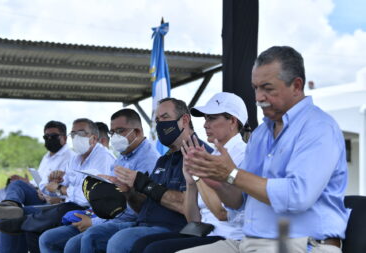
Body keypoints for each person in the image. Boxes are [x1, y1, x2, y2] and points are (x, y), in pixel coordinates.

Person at [178, 46, 349, 253]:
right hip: (250, 242)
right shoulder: (260, 136)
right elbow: (238, 202)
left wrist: (231, 174)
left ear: (296, 86)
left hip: (301, 244)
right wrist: (217, 181)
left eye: (267, 88)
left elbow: (297, 196)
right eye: (256, 88)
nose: (259, 97)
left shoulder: (318, 127)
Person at [76, 98, 212, 253]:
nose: (160, 124)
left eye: (165, 117)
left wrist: (143, 183)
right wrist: (128, 192)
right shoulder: (163, 160)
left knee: (118, 242)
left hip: (173, 228)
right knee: (91, 237)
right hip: (143, 223)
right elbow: (144, 208)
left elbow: (187, 205)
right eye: (157, 120)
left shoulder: (201, 154)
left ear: (185, 120)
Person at [131, 92, 251, 253]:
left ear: (233, 121)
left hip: (228, 237)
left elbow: (223, 214)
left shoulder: (244, 156)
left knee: (154, 250)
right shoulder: (211, 156)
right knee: (140, 245)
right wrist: (191, 181)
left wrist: (199, 175)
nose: (205, 125)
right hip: (204, 232)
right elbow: (193, 220)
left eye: (212, 118)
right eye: (205, 118)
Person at [38, 109, 160, 253]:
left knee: (85, 239)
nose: (115, 136)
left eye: (120, 131)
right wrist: (58, 185)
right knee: (47, 238)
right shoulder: (123, 156)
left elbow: (133, 209)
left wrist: (94, 221)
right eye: (112, 132)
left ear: (138, 132)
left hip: (129, 219)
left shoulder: (148, 160)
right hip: (101, 213)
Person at [0, 118, 115, 253]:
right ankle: (16, 213)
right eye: (74, 134)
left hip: (91, 211)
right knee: (18, 219)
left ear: (94, 138)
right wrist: (56, 182)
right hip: (66, 205)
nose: (76, 138)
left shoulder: (103, 158)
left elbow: (92, 196)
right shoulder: (76, 159)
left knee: (57, 213)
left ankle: (23, 221)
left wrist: (61, 189)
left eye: (81, 133)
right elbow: (56, 187)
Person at [0, 120, 75, 253]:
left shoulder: (70, 157)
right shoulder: (47, 156)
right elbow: (39, 180)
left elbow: (64, 188)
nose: (49, 139)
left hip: (52, 200)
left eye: (53, 136)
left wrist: (46, 191)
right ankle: (10, 205)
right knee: (15, 187)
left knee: (9, 215)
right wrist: (28, 182)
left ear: (64, 137)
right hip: (39, 193)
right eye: (46, 137)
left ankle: (9, 206)